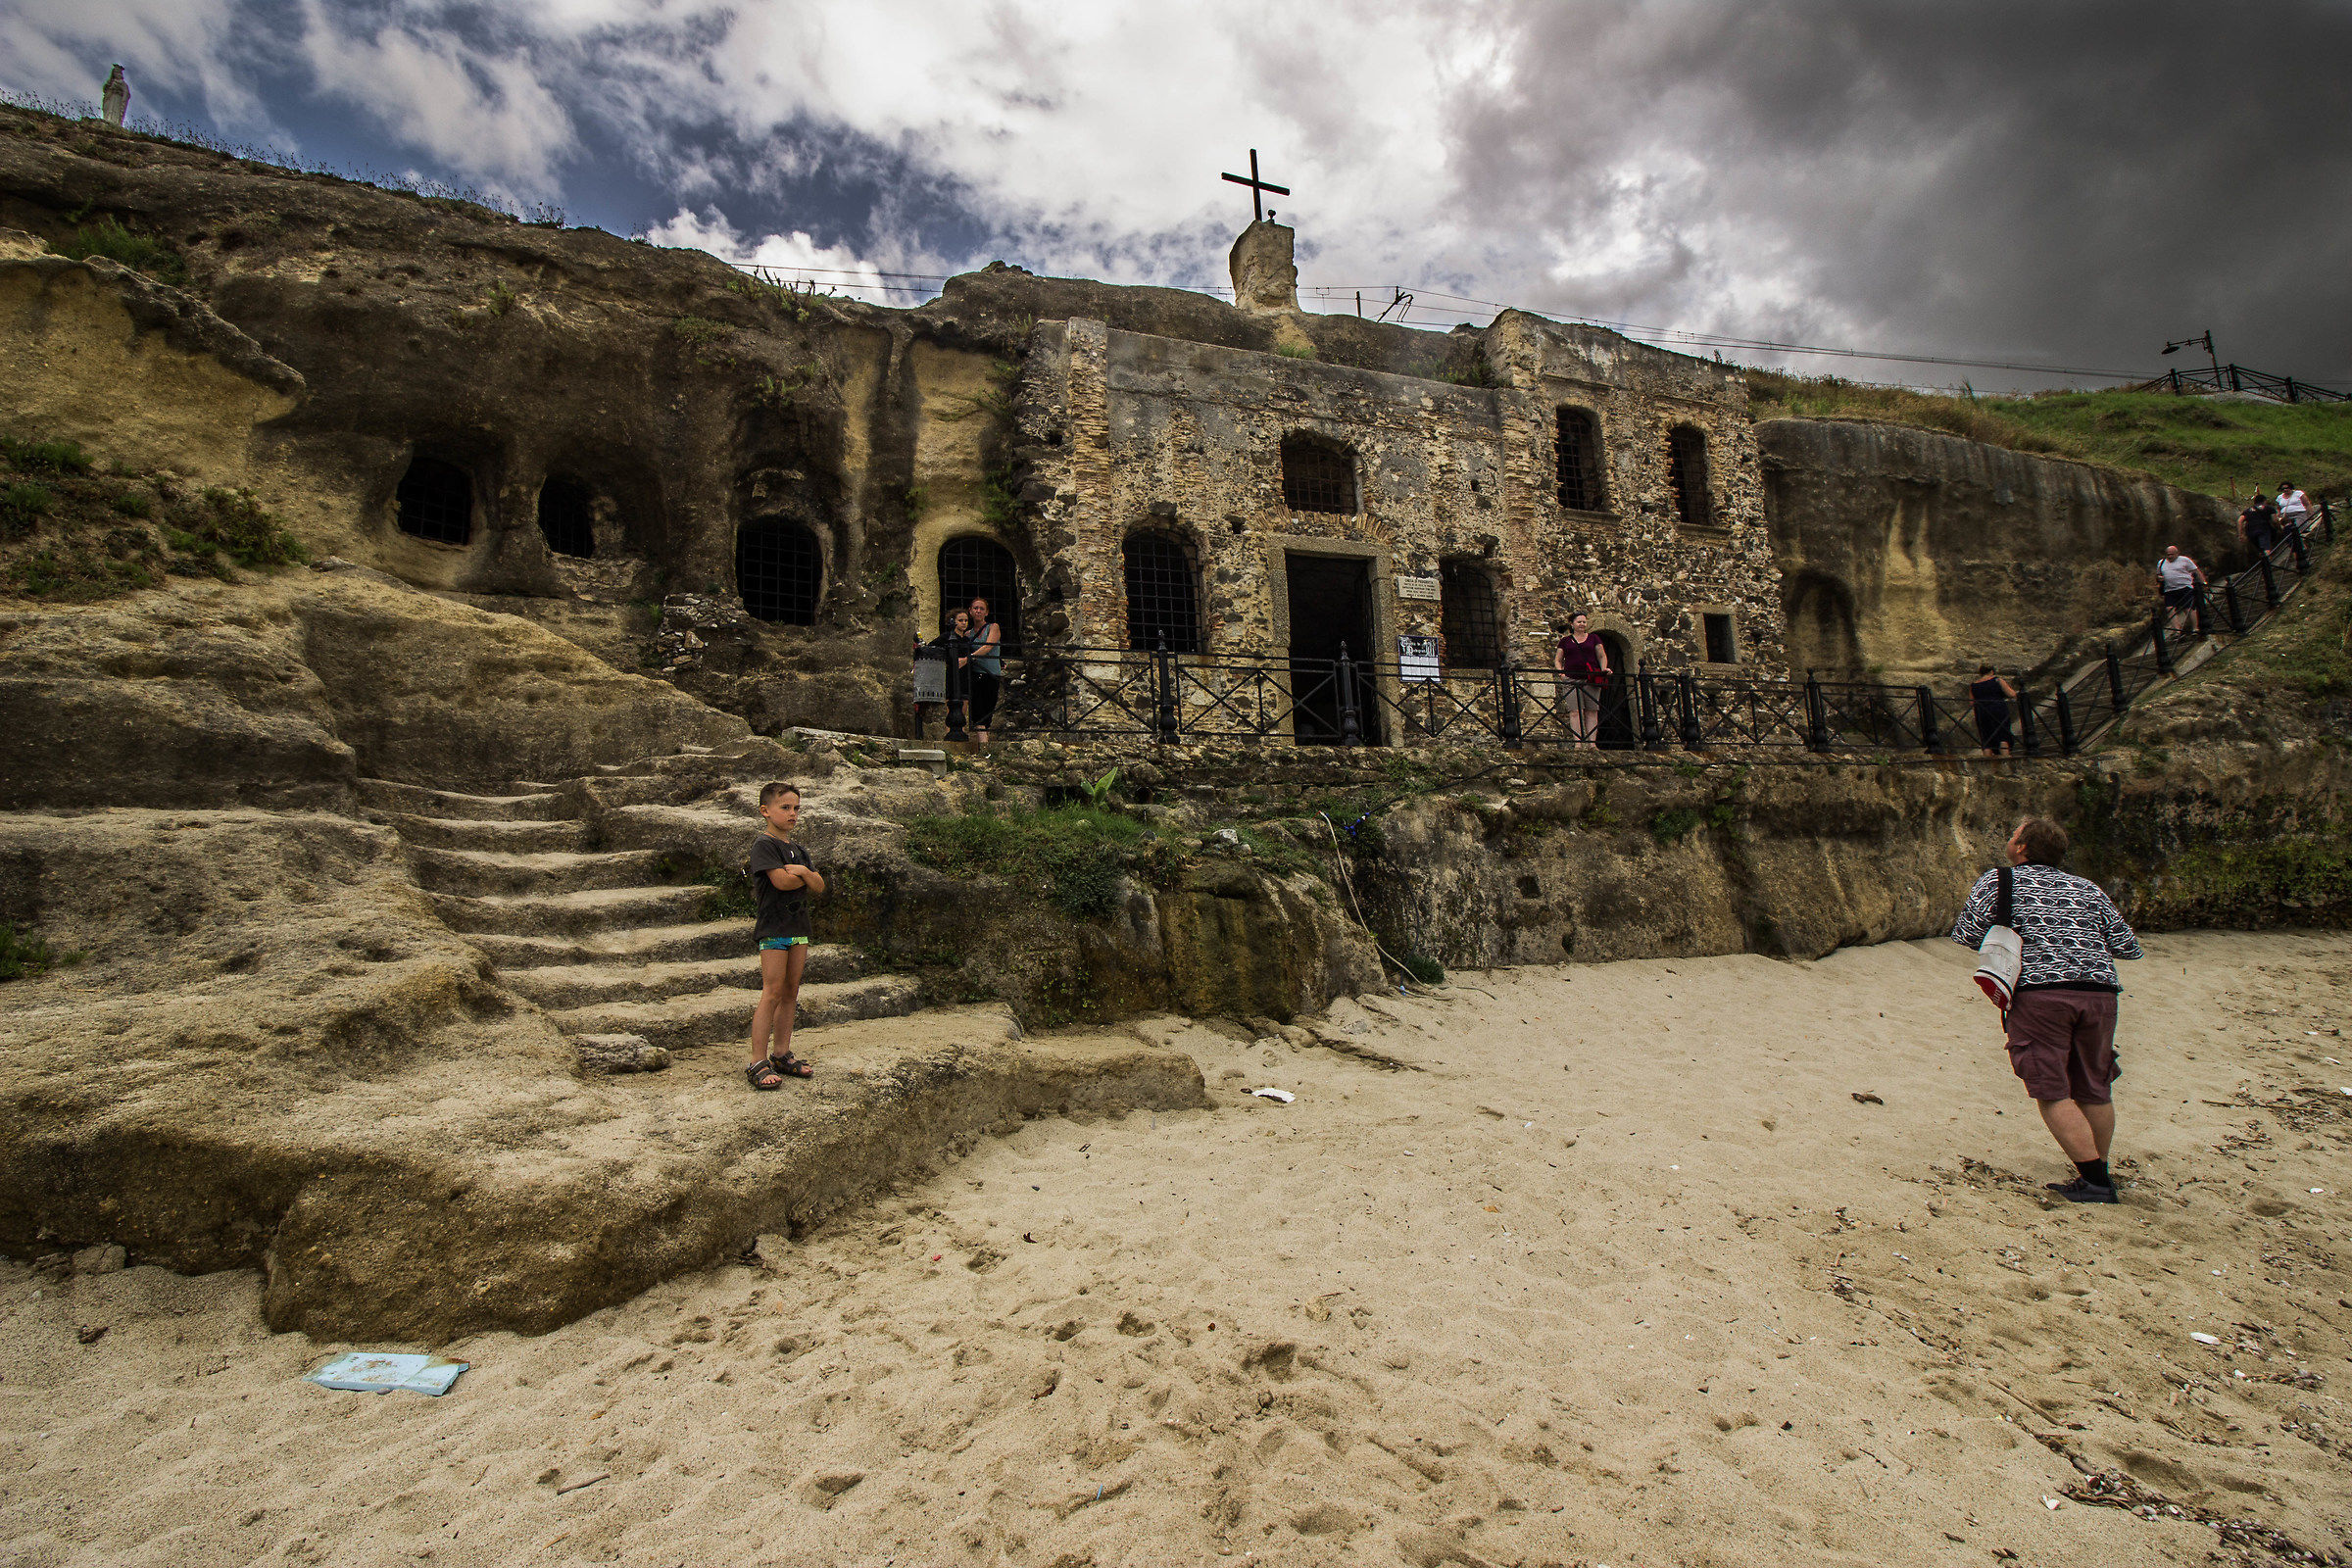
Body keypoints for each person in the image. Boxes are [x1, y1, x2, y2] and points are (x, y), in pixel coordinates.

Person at [1949, 816, 2143, 1204]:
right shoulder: (2088, 888)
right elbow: (2127, 945)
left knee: (2050, 1087)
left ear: (2022, 848)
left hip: (2041, 994)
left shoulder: (1999, 881)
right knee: (2094, 1085)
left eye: (2013, 835)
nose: (2010, 840)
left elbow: (1967, 934)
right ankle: (2098, 1171)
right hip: (2100, 992)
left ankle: (2095, 1182)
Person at [742, 781, 825, 1091]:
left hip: (799, 930)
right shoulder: (764, 846)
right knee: (772, 992)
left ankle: (781, 1053)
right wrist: (802, 876)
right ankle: (756, 1061)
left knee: (791, 991)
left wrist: (802, 872)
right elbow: (780, 882)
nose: (792, 814)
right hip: (774, 930)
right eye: (785, 808)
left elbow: (818, 885)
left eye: (796, 808)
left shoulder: (799, 850)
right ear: (765, 811)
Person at [1551, 612, 1610, 749]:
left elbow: (1601, 656)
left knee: (1592, 711)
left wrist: (1603, 670)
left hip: (1591, 679)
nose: (1582, 624)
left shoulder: (1594, 638)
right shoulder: (1565, 641)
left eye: (1584, 621)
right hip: (1571, 679)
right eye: (1579, 622)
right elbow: (1558, 659)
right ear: (1572, 624)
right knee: (1575, 711)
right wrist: (1562, 675)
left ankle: (1591, 743)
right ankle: (1578, 743)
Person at [963, 596, 1004, 743]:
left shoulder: (993, 627)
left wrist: (969, 658)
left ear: (986, 612)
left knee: (988, 709)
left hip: (991, 674)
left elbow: (988, 646)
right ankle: (983, 744)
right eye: (975, 608)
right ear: (970, 611)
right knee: (978, 710)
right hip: (975, 674)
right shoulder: (968, 634)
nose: (978, 611)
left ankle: (984, 743)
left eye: (981, 609)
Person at [2153, 545, 2204, 636]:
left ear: (2177, 553)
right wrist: (2159, 578)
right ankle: (2177, 631)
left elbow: (2196, 571)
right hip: (2169, 589)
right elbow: (2158, 575)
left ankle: (2195, 628)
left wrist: (2203, 582)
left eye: (2172, 554)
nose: (2170, 556)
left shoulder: (2185, 560)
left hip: (2185, 587)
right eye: (2168, 554)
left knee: (2188, 608)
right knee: (2169, 609)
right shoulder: (2161, 563)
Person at [1969, 664, 2018, 757]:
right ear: (1991, 671)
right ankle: (2005, 758)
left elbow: (1971, 702)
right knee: (2002, 733)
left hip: (1981, 711)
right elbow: (2011, 694)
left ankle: (1988, 760)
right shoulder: (1997, 680)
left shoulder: (1973, 685)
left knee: (1986, 735)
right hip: (1998, 708)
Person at [2238, 492, 2278, 560]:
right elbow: (2275, 520)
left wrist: (2241, 534)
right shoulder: (2269, 508)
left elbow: (2240, 521)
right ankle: (2268, 565)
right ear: (2264, 501)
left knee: (2259, 549)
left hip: (2250, 531)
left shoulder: (2248, 510)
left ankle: (2263, 564)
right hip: (2263, 529)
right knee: (2266, 547)